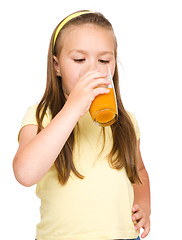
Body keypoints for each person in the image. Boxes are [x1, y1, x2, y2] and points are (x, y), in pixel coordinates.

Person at [13, 10, 151, 240]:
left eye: (104, 60)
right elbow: (25, 174)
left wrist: (144, 207)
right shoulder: (41, 116)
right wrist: (73, 108)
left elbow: (139, 171)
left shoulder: (126, 121)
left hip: (124, 236)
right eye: (79, 60)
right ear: (56, 66)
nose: (93, 69)